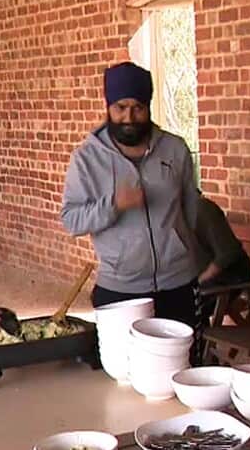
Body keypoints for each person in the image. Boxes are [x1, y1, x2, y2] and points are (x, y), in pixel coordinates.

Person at [60, 61, 201, 328]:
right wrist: (115, 204)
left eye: (138, 108)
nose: (129, 118)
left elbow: (190, 207)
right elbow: (71, 220)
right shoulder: (87, 159)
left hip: (179, 282)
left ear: (148, 107)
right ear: (108, 107)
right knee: (127, 368)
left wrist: (180, 245)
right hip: (120, 288)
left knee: (184, 364)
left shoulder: (175, 149)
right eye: (120, 108)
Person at [194, 194, 250, 364]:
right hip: (206, 278)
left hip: (232, 276)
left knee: (191, 304)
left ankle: (206, 361)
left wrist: (199, 281)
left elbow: (227, 254)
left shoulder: (203, 209)